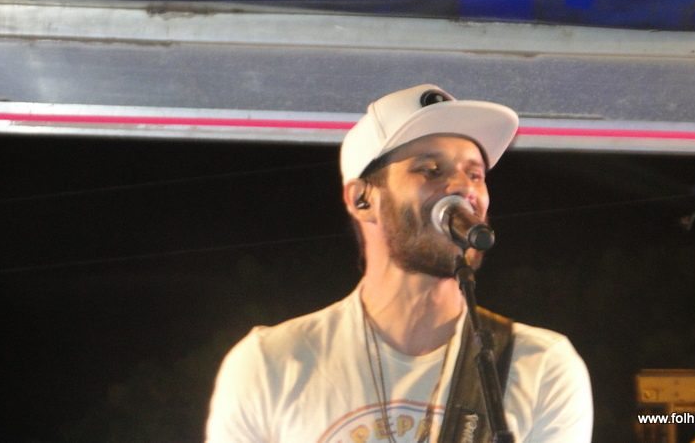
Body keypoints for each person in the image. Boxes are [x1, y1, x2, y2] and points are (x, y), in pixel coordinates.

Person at [205, 84, 593, 442]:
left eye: (475, 174)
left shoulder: (540, 366)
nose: (463, 187)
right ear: (362, 199)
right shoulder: (270, 364)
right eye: (430, 170)